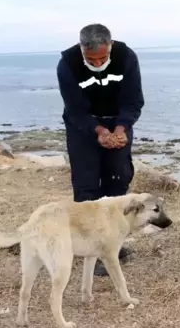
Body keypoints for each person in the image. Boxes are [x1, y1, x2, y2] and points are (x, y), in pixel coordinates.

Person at [56, 23, 145, 276]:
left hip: (117, 122)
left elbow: (133, 100)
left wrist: (120, 129)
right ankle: (90, 252)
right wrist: (99, 131)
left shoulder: (126, 58)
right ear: (82, 49)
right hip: (83, 126)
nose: (96, 64)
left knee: (119, 178)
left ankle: (111, 243)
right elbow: (75, 109)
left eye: (102, 58)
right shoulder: (68, 64)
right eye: (90, 59)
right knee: (86, 185)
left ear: (111, 46)